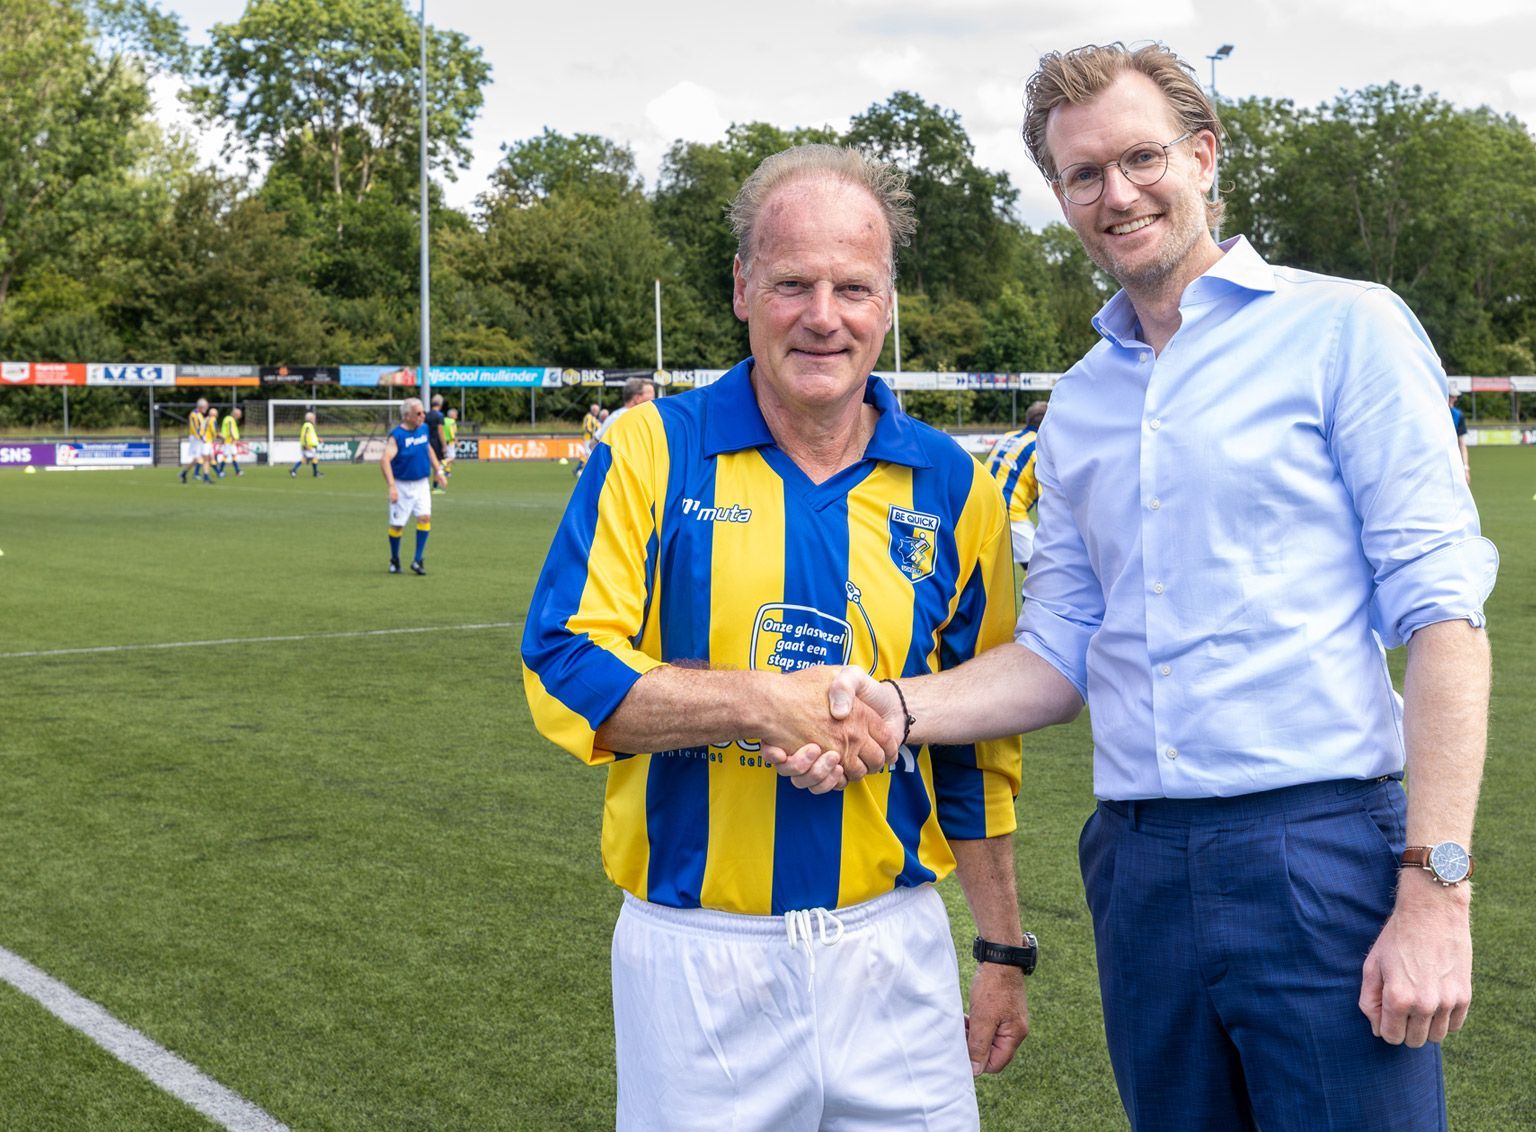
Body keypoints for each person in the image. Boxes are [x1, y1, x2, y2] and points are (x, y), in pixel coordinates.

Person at [782, 43, 1497, 1132]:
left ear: (1203, 156)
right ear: (1063, 196)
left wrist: (1436, 888)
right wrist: (895, 706)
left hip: (1317, 849)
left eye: (1141, 158)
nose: (1117, 194)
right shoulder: (1080, 401)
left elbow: (1444, 616)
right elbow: (1058, 649)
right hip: (1140, 868)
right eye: (1083, 174)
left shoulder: (1345, 329)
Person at [521, 144, 1032, 1131]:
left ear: (888, 304)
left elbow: (977, 744)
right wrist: (761, 701)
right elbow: (563, 664)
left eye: (854, 287)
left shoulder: (954, 487)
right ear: (743, 289)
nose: (823, 316)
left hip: (895, 952)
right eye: (794, 283)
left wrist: (1003, 947)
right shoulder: (651, 450)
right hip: (698, 960)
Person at [381, 397, 447, 575]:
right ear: (407, 416)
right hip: (402, 485)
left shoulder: (423, 429)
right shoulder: (397, 436)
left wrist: (438, 470)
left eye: (423, 412)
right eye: (418, 413)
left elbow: (428, 449)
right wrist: (392, 486)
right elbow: (385, 460)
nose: (422, 415)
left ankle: (418, 560)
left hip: (421, 484)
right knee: (397, 526)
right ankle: (395, 559)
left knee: (424, 518)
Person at [983, 399, 1048, 575]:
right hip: (1008, 512)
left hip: (982, 506)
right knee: (1041, 571)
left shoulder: (1007, 437)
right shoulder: (1039, 445)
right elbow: (1047, 496)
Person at [591, 377, 655, 443]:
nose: (654, 400)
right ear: (637, 398)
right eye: (651, 396)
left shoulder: (644, 418)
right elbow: (594, 443)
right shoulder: (620, 418)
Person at [179, 399, 213, 484]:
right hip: (196, 439)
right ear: (202, 406)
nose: (207, 408)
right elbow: (195, 428)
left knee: (206, 457)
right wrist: (201, 437)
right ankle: (184, 473)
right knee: (197, 459)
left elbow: (201, 428)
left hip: (201, 438)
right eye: (206, 406)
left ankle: (206, 477)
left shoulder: (200, 415)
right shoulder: (194, 414)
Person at [425, 394, 447, 492]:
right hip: (436, 442)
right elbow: (440, 431)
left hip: (427, 441)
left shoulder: (427, 415)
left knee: (427, 463)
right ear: (440, 404)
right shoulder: (439, 415)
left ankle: (424, 485)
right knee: (437, 464)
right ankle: (435, 487)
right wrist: (444, 445)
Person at [573, 401, 602, 478]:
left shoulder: (595, 419)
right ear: (592, 410)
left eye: (597, 410)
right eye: (595, 410)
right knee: (589, 455)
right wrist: (593, 435)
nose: (596, 412)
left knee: (590, 455)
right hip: (589, 439)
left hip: (594, 440)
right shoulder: (588, 417)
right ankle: (578, 470)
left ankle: (579, 470)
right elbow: (586, 427)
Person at [290, 412, 322, 478]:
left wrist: (318, 439)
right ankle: (294, 470)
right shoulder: (307, 425)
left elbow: (311, 436)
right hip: (308, 445)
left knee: (307, 459)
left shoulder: (310, 425)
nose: (314, 419)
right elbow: (304, 435)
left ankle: (294, 470)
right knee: (312, 458)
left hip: (310, 445)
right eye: (313, 418)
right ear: (310, 418)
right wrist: (305, 444)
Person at [216, 406, 244, 477]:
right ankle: (220, 471)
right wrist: (234, 439)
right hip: (229, 441)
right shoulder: (230, 420)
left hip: (229, 441)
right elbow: (230, 430)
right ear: (235, 414)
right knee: (227, 455)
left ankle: (237, 471)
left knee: (233, 455)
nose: (240, 416)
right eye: (239, 415)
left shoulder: (229, 419)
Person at [1449, 391, 1471, 484]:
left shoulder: (1458, 415)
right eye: (1451, 396)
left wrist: (1465, 468)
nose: (1454, 399)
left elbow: (1462, 443)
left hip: (1453, 460)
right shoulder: (1433, 413)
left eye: (1454, 397)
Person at [442, 406, 459, 476]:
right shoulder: (452, 422)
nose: (456, 416)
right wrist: (457, 443)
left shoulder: (443, 420)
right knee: (452, 457)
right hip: (450, 441)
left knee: (448, 457)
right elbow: (453, 434)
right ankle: (442, 463)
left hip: (442, 441)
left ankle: (447, 472)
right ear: (452, 415)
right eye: (456, 414)